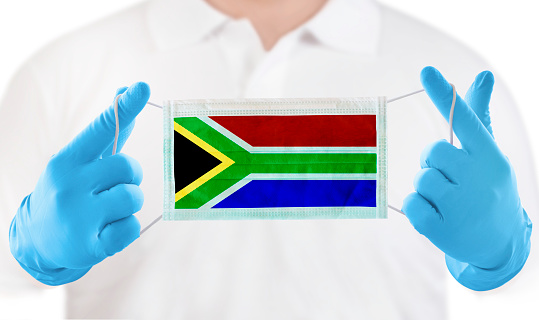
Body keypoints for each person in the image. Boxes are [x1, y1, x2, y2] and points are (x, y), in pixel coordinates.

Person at [0, 0, 536, 318]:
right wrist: (27, 248)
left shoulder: (452, 80)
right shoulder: (65, 71)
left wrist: (502, 255)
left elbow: (526, 288)